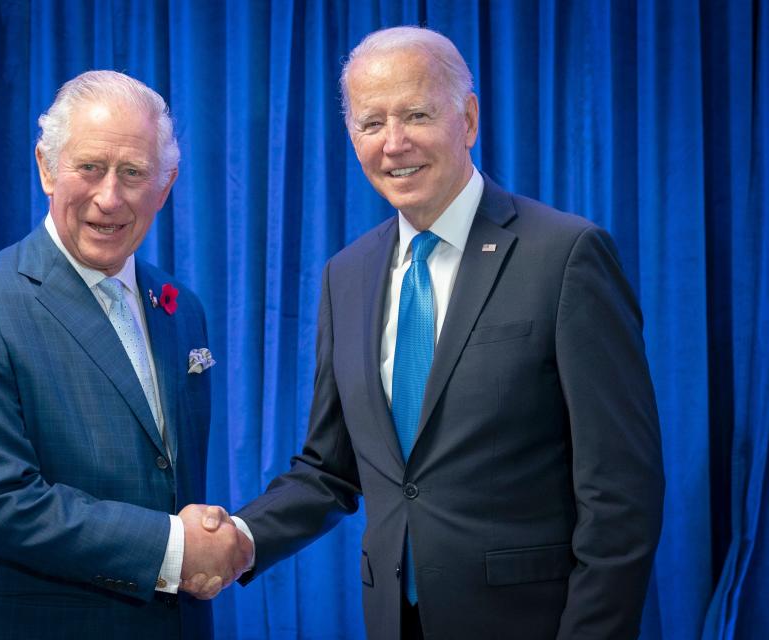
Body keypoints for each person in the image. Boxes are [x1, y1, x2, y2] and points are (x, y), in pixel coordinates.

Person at [223, 26, 665, 639]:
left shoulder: (566, 255)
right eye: (371, 123)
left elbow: (621, 494)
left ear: (469, 118)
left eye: (416, 114)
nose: (394, 143)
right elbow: (330, 467)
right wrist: (239, 538)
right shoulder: (345, 275)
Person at [0, 70, 251, 639]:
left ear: (165, 185)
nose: (110, 197)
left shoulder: (181, 308)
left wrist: (223, 541)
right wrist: (176, 547)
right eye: (90, 168)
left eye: (133, 173)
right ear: (47, 168)